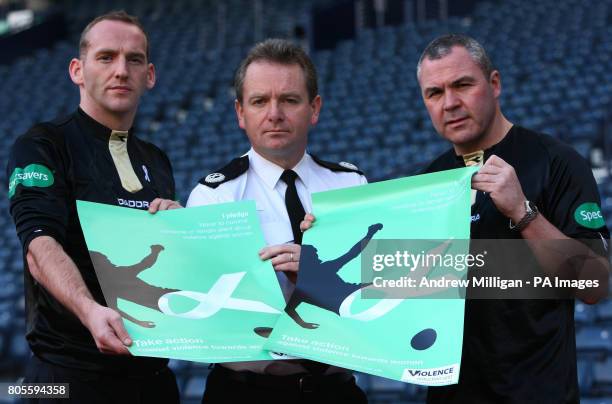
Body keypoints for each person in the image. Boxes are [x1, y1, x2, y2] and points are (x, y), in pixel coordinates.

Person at [415, 33, 610, 403]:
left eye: (462, 85)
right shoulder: (428, 182)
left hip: (538, 393)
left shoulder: (557, 161)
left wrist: (523, 212)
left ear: (495, 84)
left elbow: (593, 285)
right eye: (434, 93)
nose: (450, 103)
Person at [7, 11, 181, 403]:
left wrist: (178, 233)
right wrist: (89, 311)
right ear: (77, 70)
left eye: (134, 59)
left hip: (152, 378)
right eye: (106, 57)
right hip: (62, 378)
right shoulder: (41, 144)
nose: (121, 70)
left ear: (149, 75)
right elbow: (39, 244)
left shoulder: (157, 159)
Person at [186, 38, 368, 403]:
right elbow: (203, 311)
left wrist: (318, 281)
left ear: (314, 108)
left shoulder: (352, 185)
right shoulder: (213, 197)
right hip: (244, 393)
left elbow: (376, 293)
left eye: (289, 99)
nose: (274, 113)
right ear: (240, 113)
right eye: (259, 101)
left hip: (336, 392)